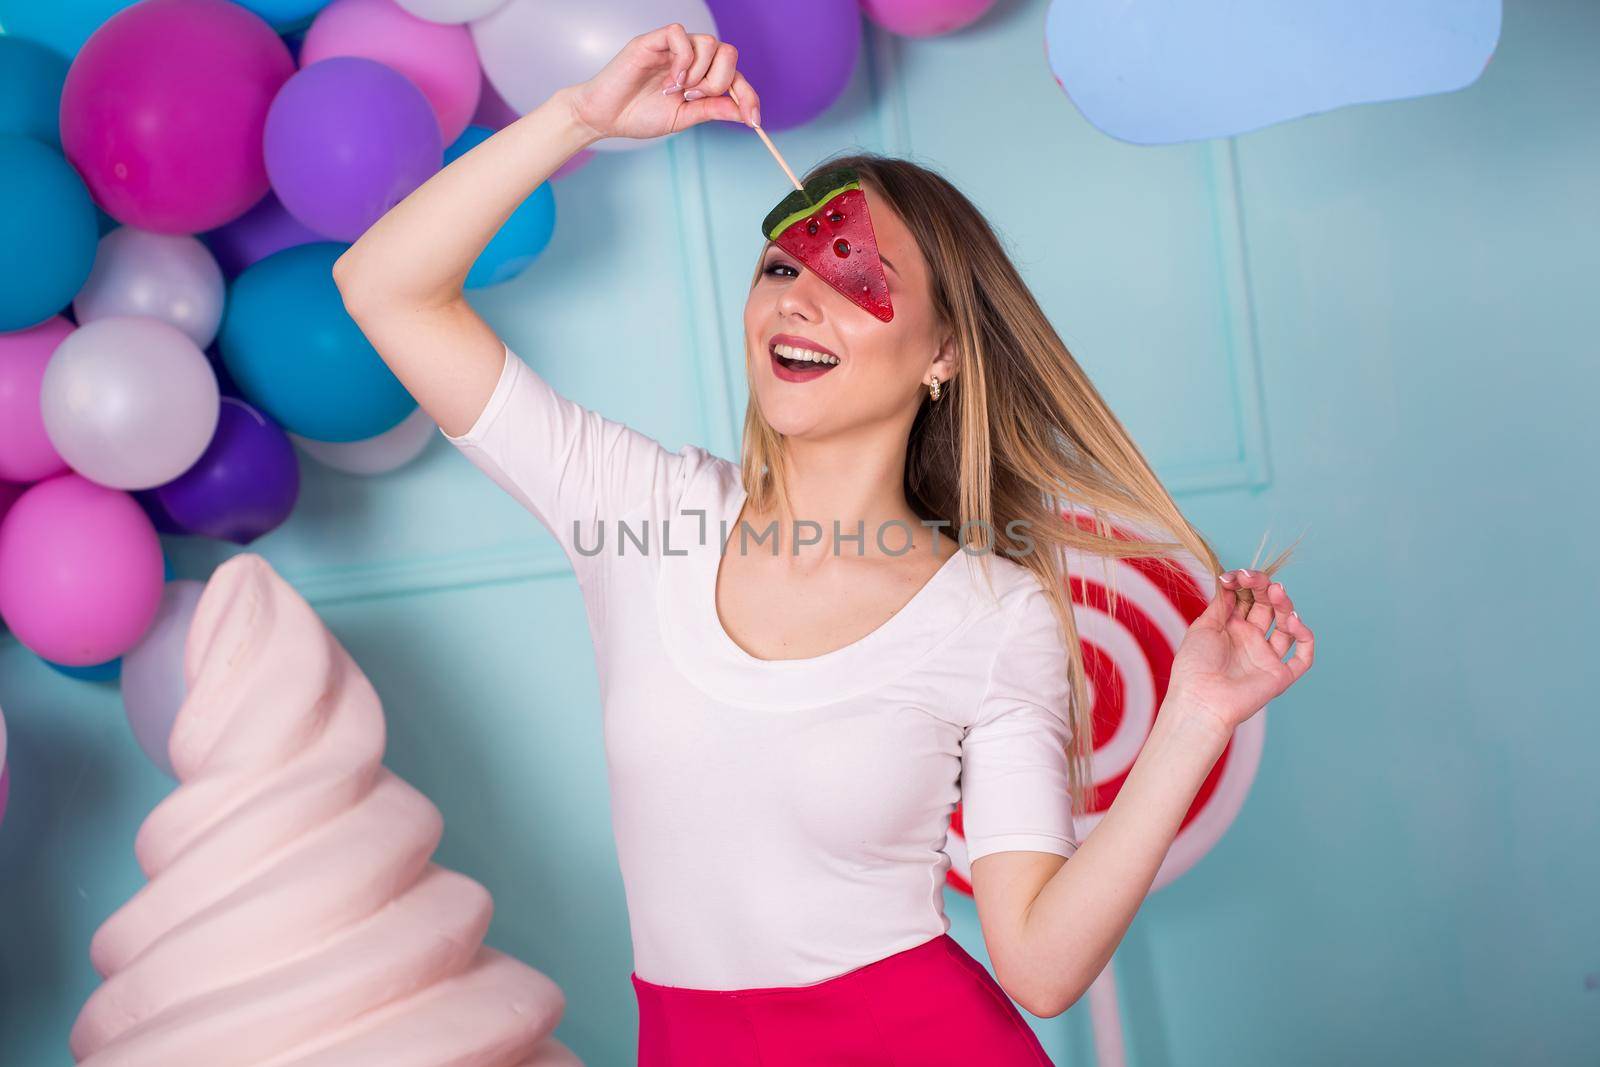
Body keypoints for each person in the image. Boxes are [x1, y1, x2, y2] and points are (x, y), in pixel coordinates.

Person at [333, 22, 1315, 1067]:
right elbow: (383, 285)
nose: (799, 295)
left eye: (853, 273)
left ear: (941, 352)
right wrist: (582, 119)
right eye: (778, 265)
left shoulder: (993, 613)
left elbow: (1036, 963)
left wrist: (1197, 713)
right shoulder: (643, 515)